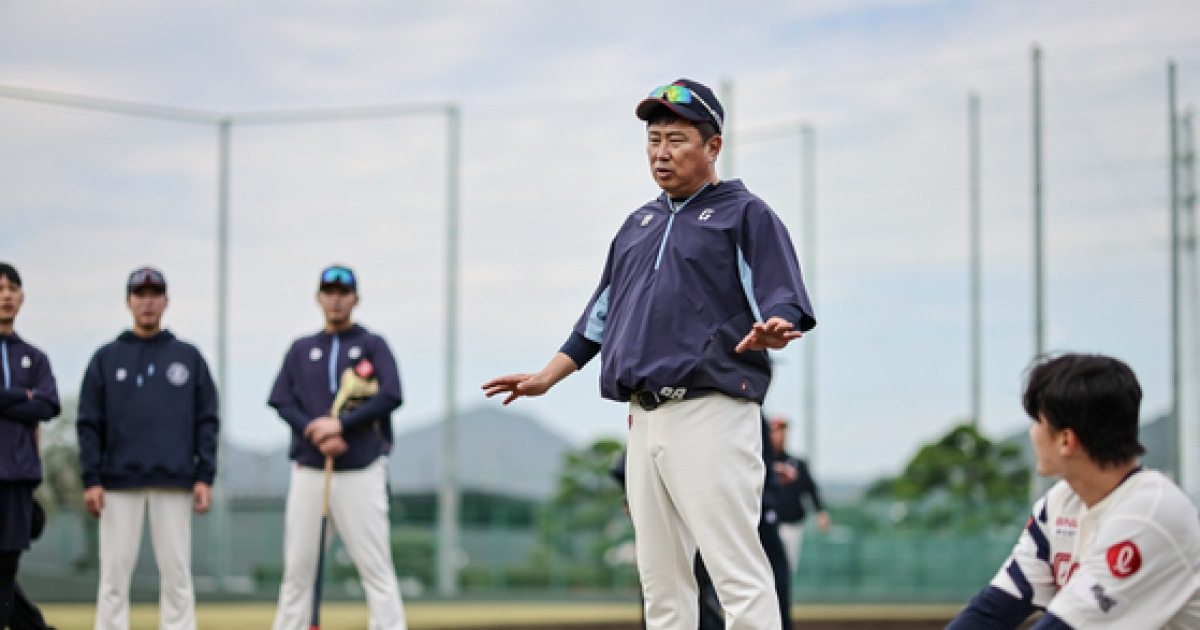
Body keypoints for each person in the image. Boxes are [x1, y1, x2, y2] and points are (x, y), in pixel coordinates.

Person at [484, 78, 815, 630]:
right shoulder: (638, 224)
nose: (661, 152)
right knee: (661, 584)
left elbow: (781, 295)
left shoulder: (744, 214)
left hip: (712, 411)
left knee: (737, 572)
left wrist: (778, 326)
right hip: (643, 417)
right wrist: (547, 376)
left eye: (677, 139)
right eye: (654, 138)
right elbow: (598, 318)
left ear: (713, 146)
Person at [947, 353, 1200, 629]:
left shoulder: (1149, 514)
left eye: (1037, 421)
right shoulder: (1060, 502)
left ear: (1066, 440)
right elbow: (994, 610)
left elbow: (1063, 626)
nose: (1032, 432)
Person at [76, 266, 220, 630]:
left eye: (155, 294)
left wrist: (205, 475)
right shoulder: (106, 359)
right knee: (113, 578)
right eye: (140, 295)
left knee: (177, 575)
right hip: (117, 482)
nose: (148, 302)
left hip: (174, 480)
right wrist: (91, 478)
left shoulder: (188, 357)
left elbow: (207, 419)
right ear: (129, 301)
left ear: (166, 302)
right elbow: (89, 423)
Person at [268, 264, 407, 630]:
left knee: (375, 568)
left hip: (360, 469)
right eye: (328, 291)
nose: (335, 299)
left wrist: (342, 424)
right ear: (318, 297)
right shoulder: (301, 349)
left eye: (342, 293)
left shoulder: (372, 345)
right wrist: (316, 431)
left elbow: (391, 395)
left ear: (355, 299)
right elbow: (281, 399)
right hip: (311, 469)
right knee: (298, 570)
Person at [0, 263, 61, 629]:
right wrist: (18, 397)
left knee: (7, 564)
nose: (5, 295)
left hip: (19, 476)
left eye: (12, 288)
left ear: (22, 297)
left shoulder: (34, 357)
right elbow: (31, 402)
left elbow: (47, 404)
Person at [767, 415, 830, 573]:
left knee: (787, 567)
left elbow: (811, 488)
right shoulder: (761, 463)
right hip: (768, 523)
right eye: (775, 431)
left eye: (782, 431)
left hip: (792, 524)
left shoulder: (797, 464)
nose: (779, 436)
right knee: (768, 568)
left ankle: (783, 598)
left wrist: (820, 512)